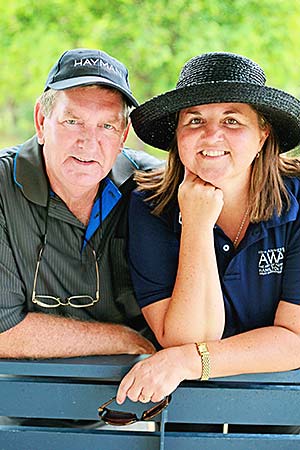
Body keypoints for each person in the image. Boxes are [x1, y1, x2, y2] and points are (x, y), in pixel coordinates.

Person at [116, 52, 300, 427]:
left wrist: (188, 360)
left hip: (282, 401)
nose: (211, 135)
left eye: (232, 120)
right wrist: (198, 226)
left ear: (263, 133)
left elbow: (294, 339)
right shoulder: (148, 206)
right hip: (191, 408)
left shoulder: (297, 200)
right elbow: (185, 336)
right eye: (195, 120)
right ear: (178, 136)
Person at [0, 48, 160, 359]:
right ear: (41, 121)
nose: (88, 142)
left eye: (107, 126)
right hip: (25, 395)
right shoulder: (2, 185)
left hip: (142, 394)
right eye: (73, 121)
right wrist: (124, 339)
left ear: (124, 135)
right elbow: (3, 332)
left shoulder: (154, 187)